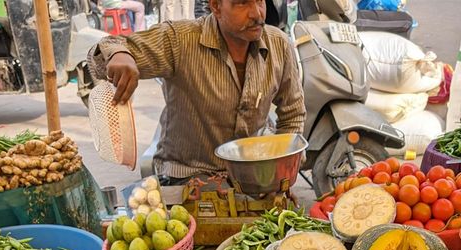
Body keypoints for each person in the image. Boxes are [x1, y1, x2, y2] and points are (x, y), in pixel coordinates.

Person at [89, 0, 305, 183]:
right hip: (186, 178)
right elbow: (102, 51)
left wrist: (284, 172)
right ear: (216, 6)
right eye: (242, 2)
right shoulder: (180, 40)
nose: (257, 13)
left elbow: (293, 113)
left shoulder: (278, 45)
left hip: (251, 181)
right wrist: (119, 55)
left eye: (260, 0)